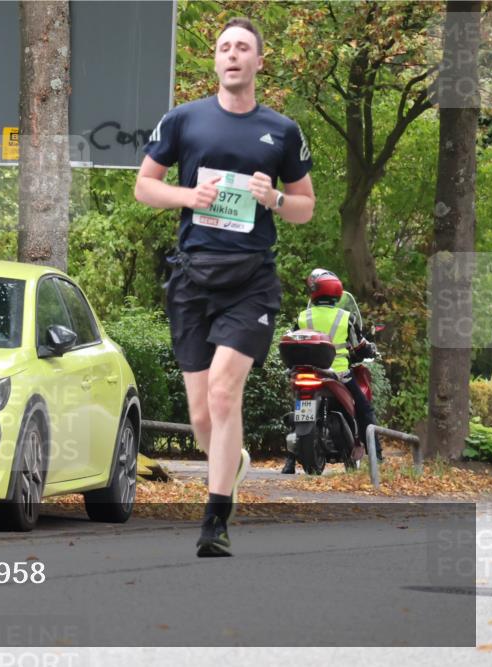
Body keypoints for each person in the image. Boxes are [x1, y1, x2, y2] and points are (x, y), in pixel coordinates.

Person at [134, 17, 316, 557]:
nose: (233, 55)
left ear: (260, 62)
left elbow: (305, 207)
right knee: (199, 417)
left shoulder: (281, 131)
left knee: (222, 389)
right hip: (192, 276)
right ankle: (228, 462)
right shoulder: (183, 121)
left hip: (251, 280)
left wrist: (274, 199)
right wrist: (190, 197)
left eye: (243, 48)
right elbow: (145, 186)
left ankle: (215, 521)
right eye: (224, 48)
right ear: (215, 61)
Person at [281, 269, 379, 474]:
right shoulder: (345, 317)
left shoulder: (303, 317)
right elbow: (359, 346)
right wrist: (370, 349)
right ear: (336, 291)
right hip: (339, 374)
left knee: (299, 407)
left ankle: (289, 461)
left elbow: (294, 338)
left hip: (308, 372)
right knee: (365, 409)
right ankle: (376, 455)